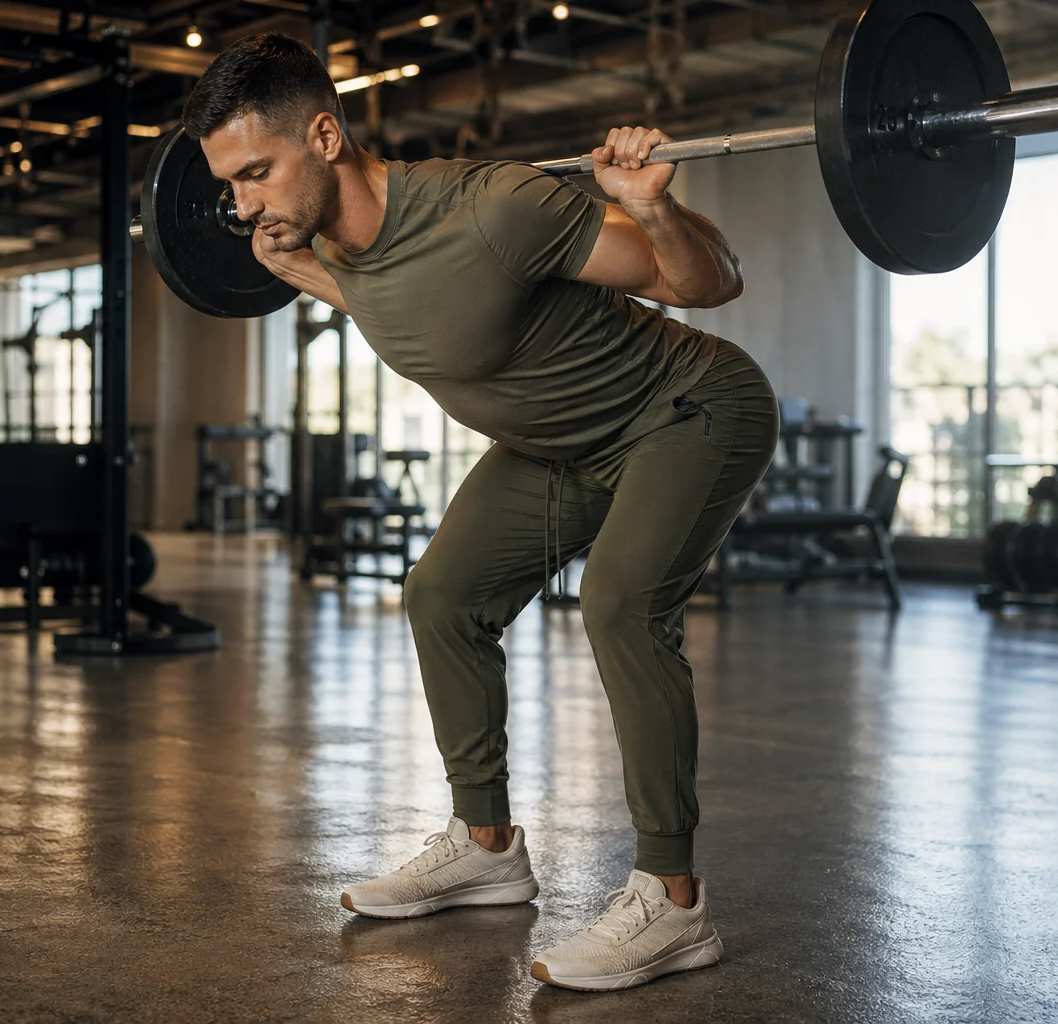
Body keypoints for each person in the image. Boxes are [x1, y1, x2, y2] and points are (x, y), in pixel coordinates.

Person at [183, 33, 778, 991]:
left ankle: (673, 903)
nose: (244, 203)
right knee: (440, 597)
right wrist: (303, 276)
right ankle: (488, 844)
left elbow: (706, 284)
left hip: (686, 407)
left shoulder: (496, 208)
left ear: (326, 136)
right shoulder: (336, 248)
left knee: (622, 606)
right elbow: (407, 305)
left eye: (257, 172)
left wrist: (654, 208)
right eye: (231, 184)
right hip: (561, 447)